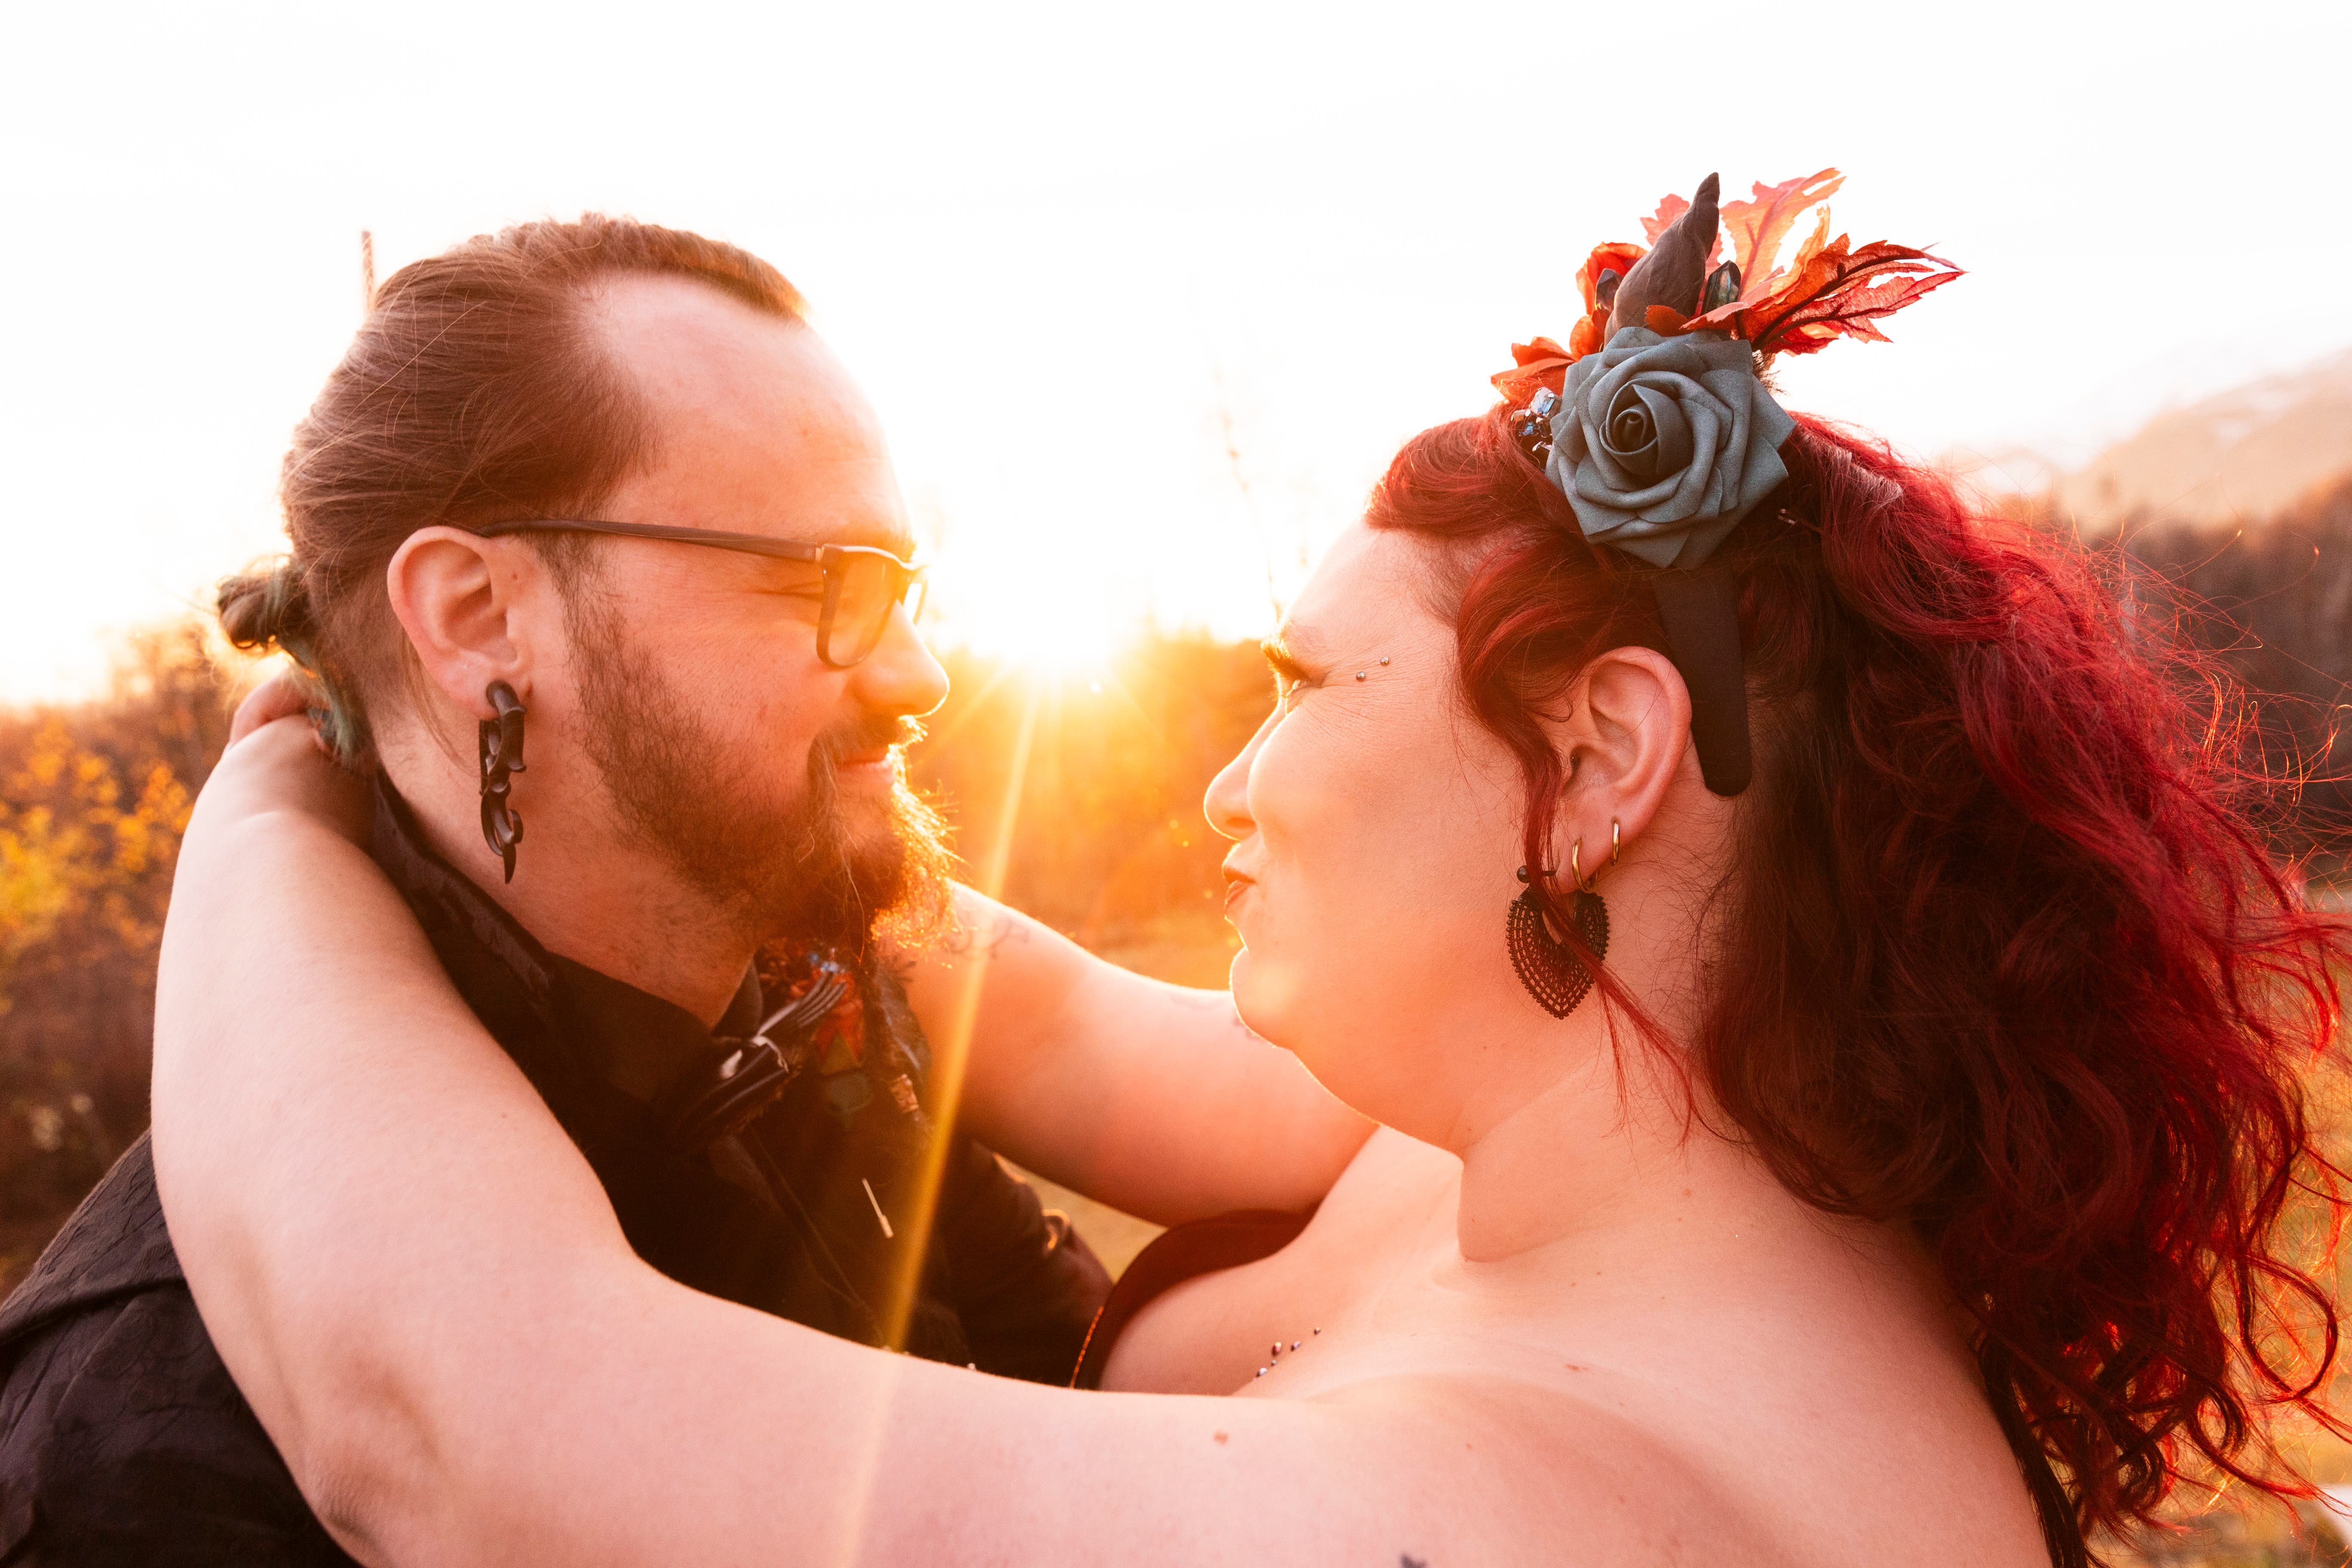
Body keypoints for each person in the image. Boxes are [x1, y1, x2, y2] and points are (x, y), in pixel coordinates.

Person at [150, 174, 2345, 1566]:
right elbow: (1055, 1018)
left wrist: (271, 783)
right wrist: (522, 707)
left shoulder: (1577, 1517)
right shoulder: (1567, 1130)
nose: (1233, 786)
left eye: (1307, 684)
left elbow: (443, 1425)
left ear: (1595, 767)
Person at [0, 215, 1368, 1564]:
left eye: (904, 586)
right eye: (828, 582)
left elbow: (1051, 1347)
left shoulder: (815, 992)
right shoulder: (147, 1446)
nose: (918, 678)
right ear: (477, 616)